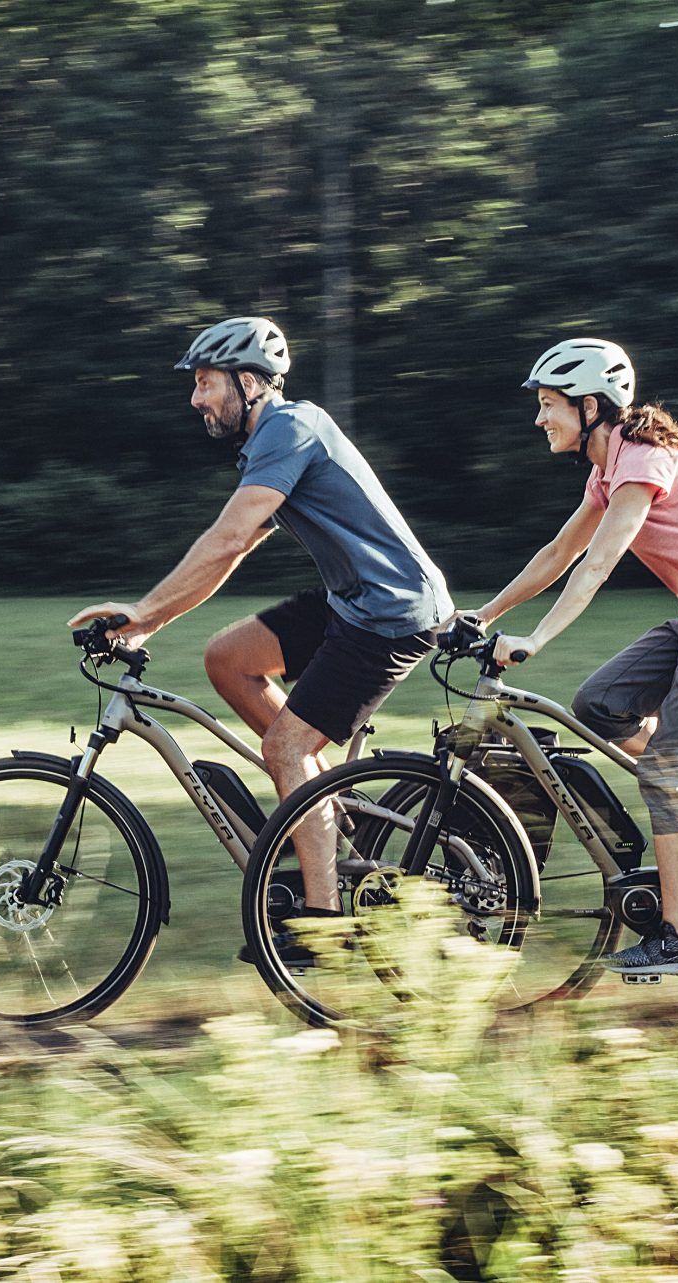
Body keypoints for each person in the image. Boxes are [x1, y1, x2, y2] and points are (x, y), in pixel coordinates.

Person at [69, 316, 453, 925]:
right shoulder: (272, 435)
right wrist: (149, 625)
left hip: (391, 613)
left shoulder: (290, 428)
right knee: (229, 659)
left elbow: (226, 538)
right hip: (352, 601)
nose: (195, 398)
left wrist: (141, 608)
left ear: (247, 381)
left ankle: (324, 916)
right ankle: (320, 798)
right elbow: (239, 547)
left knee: (286, 746)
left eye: (204, 383)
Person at [456, 337, 678, 977]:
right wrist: (485, 615)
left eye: (549, 404)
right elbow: (557, 555)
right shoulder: (606, 468)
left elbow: (595, 566)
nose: (540, 418)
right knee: (600, 706)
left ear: (591, 405)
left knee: (667, 771)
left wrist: (535, 638)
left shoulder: (644, 459)